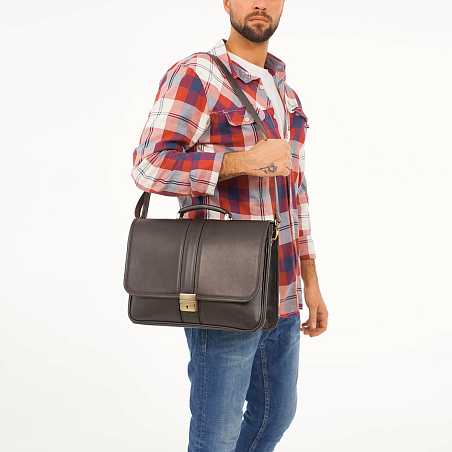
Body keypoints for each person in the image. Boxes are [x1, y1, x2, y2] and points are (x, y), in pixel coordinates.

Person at [130, 1, 328, 450]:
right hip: (221, 289)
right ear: (226, 2)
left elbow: (296, 194)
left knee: (275, 414)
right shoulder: (197, 75)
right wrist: (240, 161)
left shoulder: (287, 95)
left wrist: (311, 281)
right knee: (216, 435)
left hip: (283, 289)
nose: (259, 3)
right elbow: (148, 165)